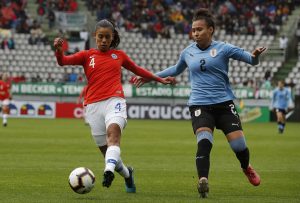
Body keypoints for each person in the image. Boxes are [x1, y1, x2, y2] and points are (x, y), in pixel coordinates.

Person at [132, 8, 266, 198]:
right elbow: (175, 70)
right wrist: (150, 77)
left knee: (239, 147)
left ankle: (246, 167)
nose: (195, 33)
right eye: (193, 30)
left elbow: (251, 61)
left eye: (199, 30)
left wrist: (255, 56)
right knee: (204, 142)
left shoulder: (224, 48)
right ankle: (203, 180)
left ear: (210, 30)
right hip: (199, 105)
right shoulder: (188, 52)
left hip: (224, 104)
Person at [53, 19, 175, 193]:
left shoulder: (119, 55)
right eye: (100, 36)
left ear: (112, 38)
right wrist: (58, 51)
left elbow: (137, 69)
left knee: (113, 137)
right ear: (95, 36)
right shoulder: (86, 56)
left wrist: (159, 79)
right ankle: (127, 174)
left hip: (115, 101)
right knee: (109, 153)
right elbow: (63, 61)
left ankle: (107, 171)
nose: (104, 40)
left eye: (107, 37)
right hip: (93, 107)